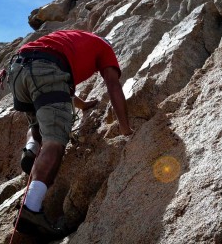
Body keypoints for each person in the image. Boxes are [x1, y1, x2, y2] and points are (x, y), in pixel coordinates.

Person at [8, 29, 132, 236]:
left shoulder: (71, 38)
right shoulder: (104, 47)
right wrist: (125, 128)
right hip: (47, 69)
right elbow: (113, 84)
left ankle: (31, 149)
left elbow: (60, 86)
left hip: (18, 70)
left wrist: (82, 105)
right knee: (54, 141)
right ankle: (31, 208)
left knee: (37, 123)